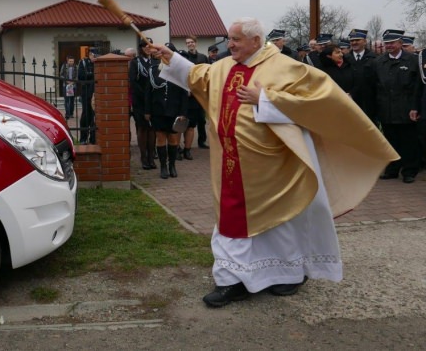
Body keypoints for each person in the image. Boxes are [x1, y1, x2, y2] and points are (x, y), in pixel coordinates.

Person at [149, 17, 396, 308]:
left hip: (275, 164)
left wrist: (265, 98)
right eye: (229, 39)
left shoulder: (284, 66)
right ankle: (232, 280)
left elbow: (319, 102)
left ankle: (288, 273)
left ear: (256, 41)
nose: (230, 45)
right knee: (232, 221)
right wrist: (172, 58)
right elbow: (202, 76)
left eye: (236, 40)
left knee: (281, 222)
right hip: (230, 163)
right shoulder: (225, 66)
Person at [375, 29, 423, 183]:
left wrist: (415, 107)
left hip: (406, 108)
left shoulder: (413, 61)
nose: (389, 46)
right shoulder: (379, 62)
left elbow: (417, 87)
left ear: (401, 44)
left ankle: (409, 171)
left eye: (392, 43)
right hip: (386, 108)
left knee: (409, 142)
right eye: (387, 43)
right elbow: (375, 86)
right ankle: (392, 169)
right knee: (390, 142)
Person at [144, 53, 188, 179]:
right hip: (158, 110)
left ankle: (172, 166)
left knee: (173, 139)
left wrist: (183, 112)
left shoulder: (178, 72)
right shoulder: (154, 70)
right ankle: (163, 167)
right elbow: (148, 92)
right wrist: (147, 111)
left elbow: (184, 94)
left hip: (174, 110)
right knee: (160, 138)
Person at [179, 35, 209, 159]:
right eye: (187, 42)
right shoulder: (184, 57)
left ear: (196, 43)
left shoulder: (203, 57)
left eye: (191, 42)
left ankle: (197, 143)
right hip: (187, 95)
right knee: (184, 122)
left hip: (199, 95)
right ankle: (182, 146)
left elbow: (207, 74)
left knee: (199, 120)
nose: (190, 44)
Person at [130, 38, 157, 169]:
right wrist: (145, 96)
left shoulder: (156, 62)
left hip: (154, 100)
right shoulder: (135, 62)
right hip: (140, 101)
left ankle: (152, 157)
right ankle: (144, 158)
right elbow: (133, 82)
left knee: (152, 129)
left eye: (149, 45)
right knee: (142, 128)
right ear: (140, 48)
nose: (147, 48)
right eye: (144, 46)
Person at [343, 28, 378, 124]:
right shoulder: (345, 58)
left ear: (364, 41)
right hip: (350, 101)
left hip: (369, 102)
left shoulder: (374, 58)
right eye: (352, 41)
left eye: (357, 40)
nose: (354, 43)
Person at [77, 46, 97, 144]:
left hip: (97, 92)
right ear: (89, 55)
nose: (95, 57)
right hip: (86, 93)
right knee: (86, 115)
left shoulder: (99, 63)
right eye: (94, 55)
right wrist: (92, 74)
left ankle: (93, 138)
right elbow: (81, 76)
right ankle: (83, 138)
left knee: (95, 117)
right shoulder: (83, 62)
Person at [60, 55, 77, 119]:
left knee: (72, 100)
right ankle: (67, 114)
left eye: (72, 61)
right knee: (66, 100)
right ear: (67, 61)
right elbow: (61, 75)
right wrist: (66, 81)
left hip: (73, 85)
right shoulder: (64, 66)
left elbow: (77, 76)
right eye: (70, 61)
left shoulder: (76, 66)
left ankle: (71, 114)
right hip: (65, 85)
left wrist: (73, 82)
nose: (71, 62)